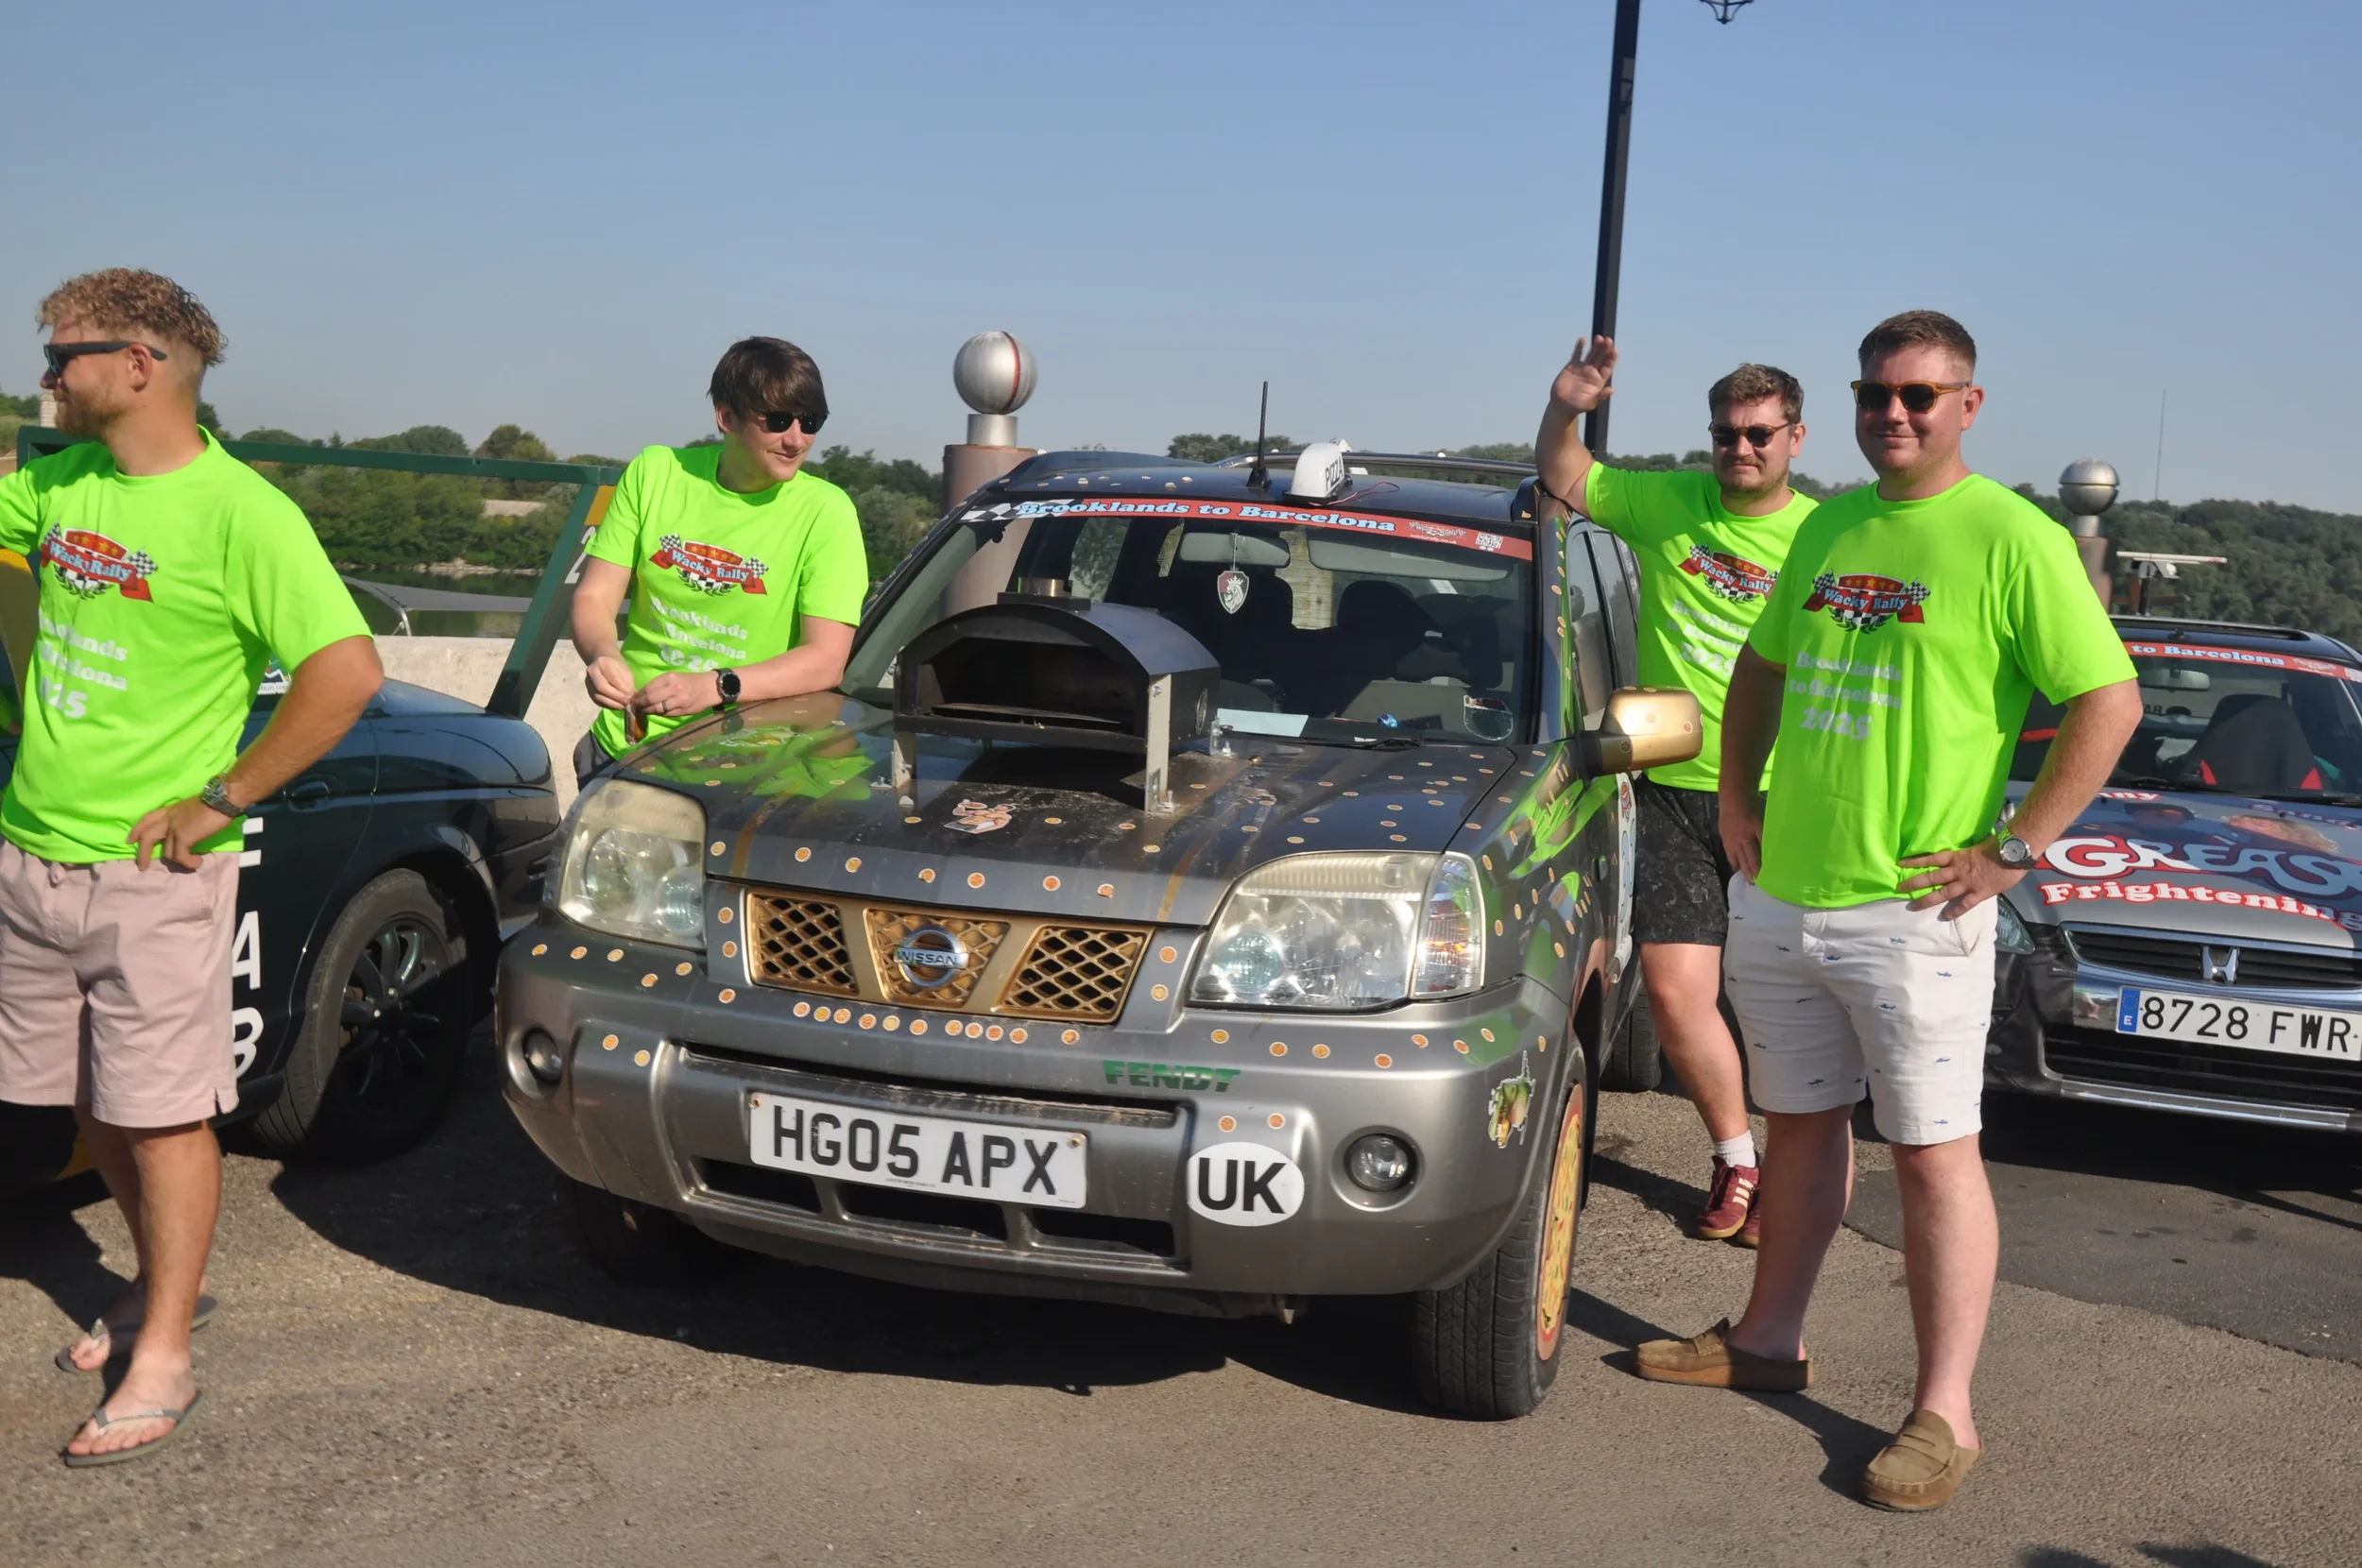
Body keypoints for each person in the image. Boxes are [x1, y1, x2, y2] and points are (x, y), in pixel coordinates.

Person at [1633, 311, 2140, 1511]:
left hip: (1915, 912)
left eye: (1918, 395)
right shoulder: (1833, 523)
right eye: (1875, 394)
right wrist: (1742, 803)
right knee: (1799, 1128)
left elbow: (2105, 702)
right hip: (1787, 895)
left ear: (1968, 403)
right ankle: (1767, 1339)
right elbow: (1758, 669)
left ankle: (1944, 1412)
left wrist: (2013, 851)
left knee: (1931, 1157)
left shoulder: (2011, 537)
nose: (1892, 414)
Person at [0, 269, 382, 1464]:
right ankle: (150, 1284)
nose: (46, 374)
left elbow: (346, 674)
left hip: (153, 872)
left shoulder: (243, 514)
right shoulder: (57, 485)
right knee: (92, 1098)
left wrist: (221, 798)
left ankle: (164, 1347)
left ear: (141, 365)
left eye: (66, 354)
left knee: (162, 1117)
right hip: (33, 855)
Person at [1536, 337, 1816, 1245]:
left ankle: (1804, 1173)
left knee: (1786, 1007)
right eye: (1727, 434)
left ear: (1796, 439)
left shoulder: (1824, 537)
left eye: (1760, 435)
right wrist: (1565, 403)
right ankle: (1738, 1161)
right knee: (1675, 994)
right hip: (1671, 790)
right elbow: (1565, 474)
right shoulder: (1668, 504)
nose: (1741, 450)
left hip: (1785, 801)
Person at [570, 337, 867, 786]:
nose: (796, 439)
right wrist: (603, 655)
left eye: (811, 421)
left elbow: (826, 659)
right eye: (778, 420)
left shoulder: (828, 511)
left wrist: (714, 686)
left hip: (750, 766)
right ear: (727, 418)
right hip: (623, 750)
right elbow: (594, 595)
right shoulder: (655, 472)